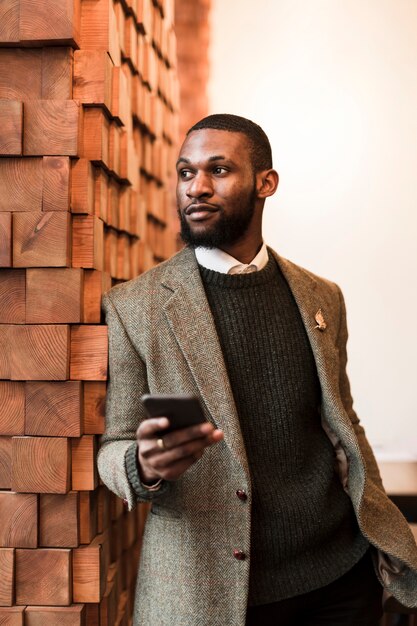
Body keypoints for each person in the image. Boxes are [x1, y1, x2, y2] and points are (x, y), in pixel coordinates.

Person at [98, 114, 417, 626]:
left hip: (339, 580)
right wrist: (143, 465)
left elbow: (344, 424)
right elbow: (112, 448)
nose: (196, 187)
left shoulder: (322, 297)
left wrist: (378, 530)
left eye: (218, 170)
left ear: (265, 183)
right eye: (185, 173)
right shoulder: (134, 307)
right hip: (212, 594)